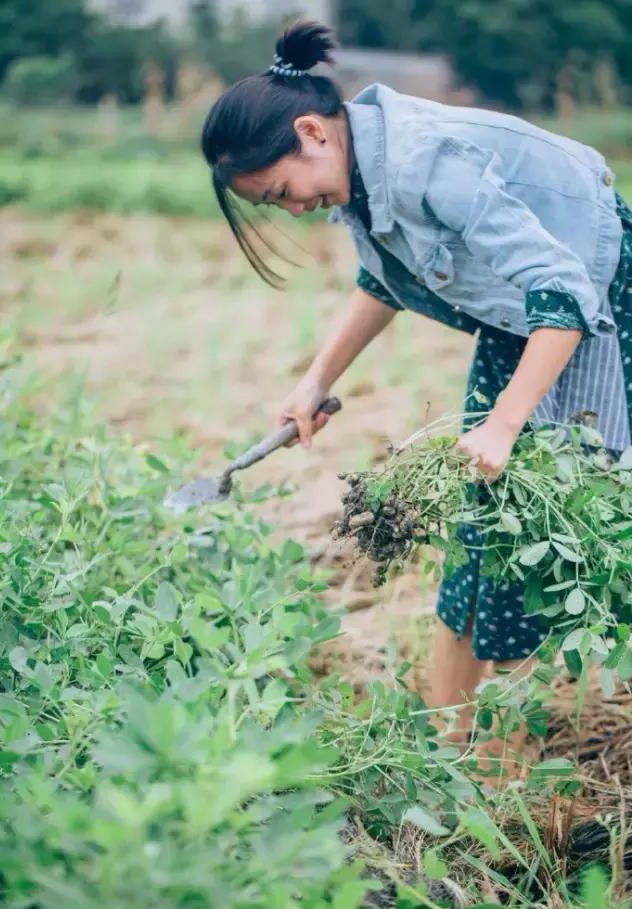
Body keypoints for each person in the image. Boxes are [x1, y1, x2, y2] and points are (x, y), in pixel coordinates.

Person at [200, 21, 632, 784]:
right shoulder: (362, 172)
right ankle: (450, 741)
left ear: (310, 133)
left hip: (599, 300)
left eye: (279, 192)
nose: (290, 209)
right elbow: (384, 281)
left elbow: (563, 292)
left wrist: (505, 423)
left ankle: (500, 753)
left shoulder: (425, 159)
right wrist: (315, 379)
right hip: (523, 319)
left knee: (572, 518)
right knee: (485, 521)